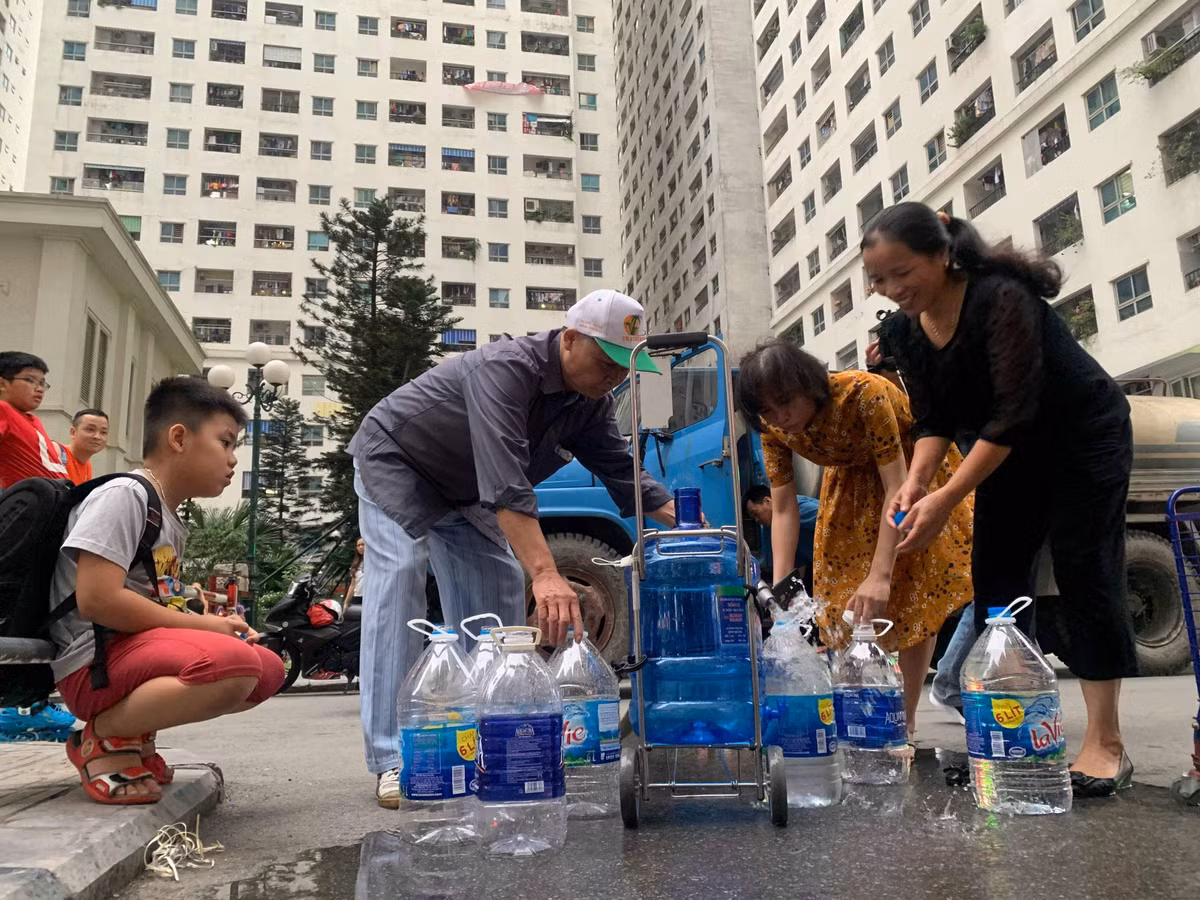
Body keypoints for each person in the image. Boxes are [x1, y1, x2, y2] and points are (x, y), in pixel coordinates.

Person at [348, 289, 676, 807]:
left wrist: (690, 525)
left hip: (466, 488)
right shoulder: (505, 369)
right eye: (607, 363)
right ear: (570, 339)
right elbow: (506, 484)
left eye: (625, 368)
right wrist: (545, 573)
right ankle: (395, 758)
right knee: (400, 578)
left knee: (499, 596)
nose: (614, 378)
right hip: (399, 461)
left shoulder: (588, 404)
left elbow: (622, 472)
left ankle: (484, 743)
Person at [862, 201, 1137, 797]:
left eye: (902, 273)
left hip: (1079, 438)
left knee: (1084, 569)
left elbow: (1014, 413)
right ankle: (1015, 733)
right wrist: (916, 484)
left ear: (942, 255)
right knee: (997, 586)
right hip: (1007, 450)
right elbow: (935, 419)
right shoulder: (910, 330)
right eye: (879, 280)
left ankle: (1106, 744)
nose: (891, 290)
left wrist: (947, 497)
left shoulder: (1000, 298)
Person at [47, 376, 285, 804]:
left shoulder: (166, 516)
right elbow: (97, 599)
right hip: (93, 662)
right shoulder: (124, 495)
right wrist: (207, 631)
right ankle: (101, 739)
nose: (233, 460)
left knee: (265, 668)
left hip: (132, 653)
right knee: (232, 665)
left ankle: (134, 736)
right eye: (226, 443)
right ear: (179, 437)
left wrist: (216, 623)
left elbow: (160, 603)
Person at [737, 339, 973, 739]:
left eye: (786, 402)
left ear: (809, 385)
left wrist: (881, 574)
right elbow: (782, 508)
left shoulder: (864, 394)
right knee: (845, 607)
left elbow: (898, 486)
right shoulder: (774, 428)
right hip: (849, 490)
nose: (780, 417)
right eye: (767, 410)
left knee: (914, 597)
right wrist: (782, 591)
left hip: (913, 478)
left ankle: (907, 719)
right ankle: (866, 713)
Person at [0, 351, 68, 489]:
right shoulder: (3, 409)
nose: (39, 389)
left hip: (60, 498)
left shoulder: (33, 420)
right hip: (31, 502)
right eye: (30, 380)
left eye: (42, 383)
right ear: (2, 384)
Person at [742, 484, 820, 582]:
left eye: (756, 513)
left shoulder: (796, 509)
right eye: (754, 518)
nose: (757, 520)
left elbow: (831, 521)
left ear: (767, 501)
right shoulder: (770, 526)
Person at [56, 408, 110, 484]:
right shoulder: (56, 453)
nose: (97, 436)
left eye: (103, 432)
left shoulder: (87, 466)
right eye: (90, 429)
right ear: (73, 432)